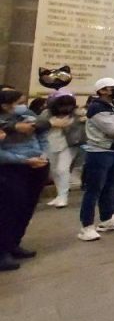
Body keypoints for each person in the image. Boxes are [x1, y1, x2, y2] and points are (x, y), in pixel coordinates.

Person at [79, 78, 114, 242]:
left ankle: (107, 219)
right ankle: (86, 226)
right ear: (102, 90)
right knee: (94, 189)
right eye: (113, 88)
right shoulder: (96, 107)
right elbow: (113, 130)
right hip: (99, 152)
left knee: (109, 187)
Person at [0, 90, 50, 270]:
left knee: (25, 208)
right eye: (16, 102)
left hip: (37, 165)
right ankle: (2, 251)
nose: (20, 105)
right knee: (8, 210)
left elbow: (43, 131)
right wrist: (23, 160)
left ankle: (14, 243)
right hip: (11, 167)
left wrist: (44, 155)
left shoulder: (26, 115)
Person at [40, 94, 83, 208]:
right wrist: (53, 124)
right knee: (54, 170)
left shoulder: (77, 114)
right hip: (51, 143)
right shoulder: (46, 113)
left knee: (62, 169)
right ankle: (59, 195)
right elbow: (39, 124)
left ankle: (64, 196)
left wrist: (68, 124)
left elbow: (78, 130)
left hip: (69, 144)